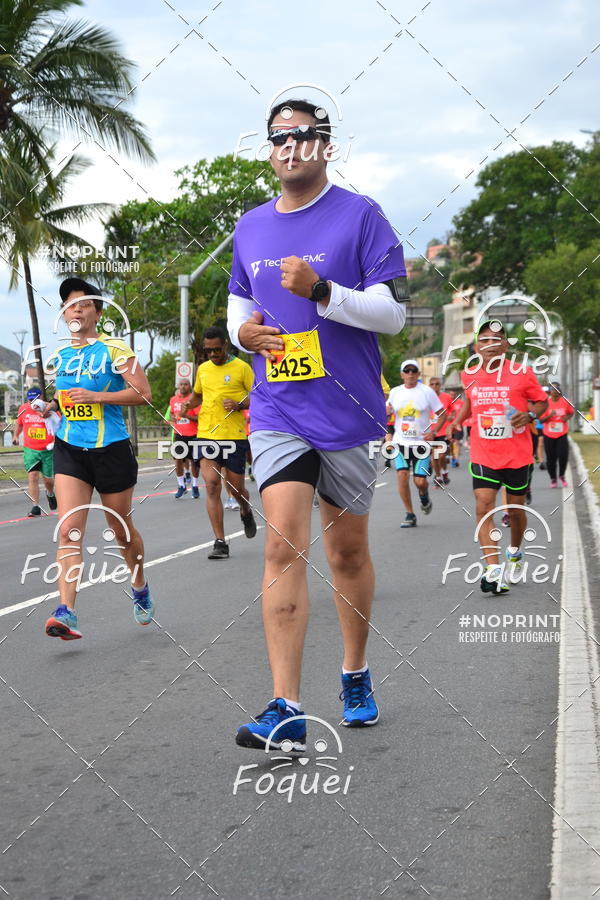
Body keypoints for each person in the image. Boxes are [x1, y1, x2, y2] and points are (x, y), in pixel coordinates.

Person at [227, 97, 407, 749]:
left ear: (326, 146)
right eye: (279, 137)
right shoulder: (250, 226)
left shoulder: (361, 216)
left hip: (348, 410)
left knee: (347, 552)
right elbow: (239, 303)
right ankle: (287, 708)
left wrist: (323, 292)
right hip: (278, 408)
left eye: (304, 135)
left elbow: (392, 315)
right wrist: (243, 334)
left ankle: (354, 672)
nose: (290, 146)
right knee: (282, 544)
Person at [41, 277, 155, 640]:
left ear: (98, 313)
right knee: (69, 530)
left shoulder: (115, 349)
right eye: (69, 305)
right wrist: (51, 405)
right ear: (64, 314)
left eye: (84, 303)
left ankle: (139, 585)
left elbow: (143, 393)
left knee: (121, 531)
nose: (76, 309)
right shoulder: (61, 356)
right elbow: (66, 398)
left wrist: (97, 397)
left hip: (111, 451)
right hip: (70, 450)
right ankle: (67, 611)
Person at [454, 321, 547, 594]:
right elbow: (470, 401)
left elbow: (541, 402)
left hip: (517, 454)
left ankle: (515, 552)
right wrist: (457, 422)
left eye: (496, 340)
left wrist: (529, 415)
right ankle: (493, 570)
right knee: (483, 506)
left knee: (515, 511)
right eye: (484, 340)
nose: (490, 345)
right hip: (483, 452)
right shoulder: (468, 375)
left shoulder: (522, 373)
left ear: (505, 346)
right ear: (476, 347)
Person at [180, 326, 256, 559]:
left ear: (225, 345)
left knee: (235, 488)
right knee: (212, 484)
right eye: (208, 350)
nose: (212, 354)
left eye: (216, 349)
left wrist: (240, 405)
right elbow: (198, 395)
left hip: (234, 436)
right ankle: (220, 542)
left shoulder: (242, 368)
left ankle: (245, 509)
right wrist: (187, 404)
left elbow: (260, 396)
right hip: (206, 434)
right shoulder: (203, 369)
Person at [387, 361, 446, 527]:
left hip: (421, 444)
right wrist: (387, 433)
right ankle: (410, 514)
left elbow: (442, 414)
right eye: (407, 371)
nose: (410, 374)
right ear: (402, 374)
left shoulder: (427, 392)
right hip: (400, 442)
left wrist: (434, 432)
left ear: (419, 374)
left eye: (414, 371)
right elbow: (386, 415)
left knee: (419, 482)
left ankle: (424, 495)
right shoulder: (395, 392)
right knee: (402, 475)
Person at [12, 388, 58, 517]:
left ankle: (50, 493)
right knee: (33, 476)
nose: (32, 402)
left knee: (48, 480)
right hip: (31, 449)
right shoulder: (23, 408)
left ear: (41, 397)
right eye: (30, 400)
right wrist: (16, 436)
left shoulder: (50, 408)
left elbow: (59, 425)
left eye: (35, 399)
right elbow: (19, 424)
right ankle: (35, 507)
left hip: (47, 450)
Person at [168, 378, 201, 499]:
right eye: (181, 384)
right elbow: (172, 413)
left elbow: (199, 418)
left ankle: (195, 485)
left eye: (186, 384)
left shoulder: (194, 400)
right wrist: (173, 418)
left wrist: (185, 415)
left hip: (193, 434)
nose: (183, 386)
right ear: (178, 385)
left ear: (190, 386)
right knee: (178, 459)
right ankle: (181, 485)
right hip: (179, 434)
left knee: (194, 461)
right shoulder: (173, 399)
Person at [539, 382, 574, 488]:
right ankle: (553, 478)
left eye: (556, 389)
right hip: (548, 434)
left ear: (559, 391)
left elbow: (571, 412)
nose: (554, 392)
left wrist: (566, 418)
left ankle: (562, 475)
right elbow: (541, 420)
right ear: (550, 392)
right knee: (551, 458)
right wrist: (549, 415)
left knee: (563, 456)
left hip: (562, 434)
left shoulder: (565, 401)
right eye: (552, 390)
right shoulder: (546, 403)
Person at [428, 376, 452, 486]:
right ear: (429, 386)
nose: (434, 386)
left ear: (440, 385)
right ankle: (438, 477)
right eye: (432, 384)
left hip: (443, 430)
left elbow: (452, 410)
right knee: (435, 456)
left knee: (441, 455)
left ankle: (444, 471)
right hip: (430, 432)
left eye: (437, 384)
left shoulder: (447, 397)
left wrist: (451, 417)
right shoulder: (425, 398)